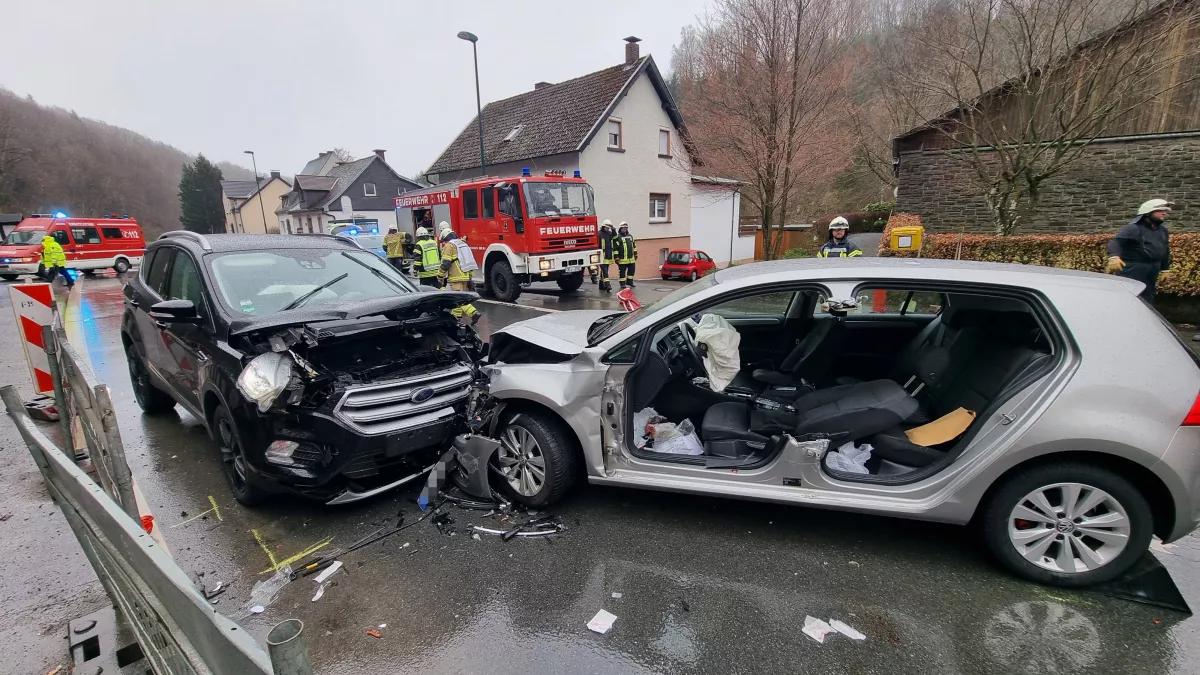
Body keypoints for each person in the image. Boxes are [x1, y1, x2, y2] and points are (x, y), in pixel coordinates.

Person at [1106, 198, 1174, 302]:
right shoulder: (1132, 228)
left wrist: (1165, 269)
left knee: (1147, 298)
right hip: (1132, 269)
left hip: (1152, 269)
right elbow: (1116, 242)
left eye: (1165, 211)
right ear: (1147, 213)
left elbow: (1164, 250)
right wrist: (1114, 257)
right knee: (1129, 297)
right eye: (1160, 211)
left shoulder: (1162, 231)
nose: (1164, 213)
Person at [438, 223, 480, 324]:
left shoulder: (449, 245)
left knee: (458, 300)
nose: (444, 242)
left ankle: (474, 313)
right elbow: (468, 260)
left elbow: (445, 263)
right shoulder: (462, 243)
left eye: (444, 240)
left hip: (455, 276)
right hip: (465, 274)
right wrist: (470, 276)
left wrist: (440, 275)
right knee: (458, 297)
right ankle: (456, 318)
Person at [614, 222, 638, 288]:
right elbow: (615, 249)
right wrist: (616, 257)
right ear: (620, 229)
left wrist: (635, 254)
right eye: (623, 228)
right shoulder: (617, 237)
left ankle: (630, 282)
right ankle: (622, 284)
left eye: (626, 228)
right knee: (622, 272)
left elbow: (634, 246)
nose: (625, 229)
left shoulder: (630, 236)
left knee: (631, 271)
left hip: (631, 259)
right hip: (622, 259)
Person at [597, 219, 616, 293]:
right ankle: (608, 286)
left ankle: (601, 285)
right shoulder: (599, 234)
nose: (607, 229)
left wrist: (613, 228)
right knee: (605, 271)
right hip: (601, 255)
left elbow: (615, 236)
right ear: (603, 226)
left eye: (608, 228)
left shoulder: (609, 233)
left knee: (605, 270)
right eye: (606, 227)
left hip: (608, 255)